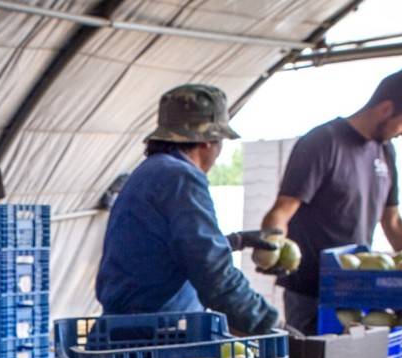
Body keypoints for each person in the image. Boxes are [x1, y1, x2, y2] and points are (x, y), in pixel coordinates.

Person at [261, 67, 402, 333]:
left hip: (356, 288)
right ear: (386, 108)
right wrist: (270, 247)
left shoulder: (385, 152)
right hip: (311, 290)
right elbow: (283, 210)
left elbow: (393, 221)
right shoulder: (323, 142)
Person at [96, 84, 282, 335]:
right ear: (207, 141)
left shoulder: (149, 172)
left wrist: (236, 241)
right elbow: (213, 273)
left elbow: (169, 252)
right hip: (156, 340)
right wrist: (267, 323)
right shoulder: (180, 178)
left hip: (128, 332)